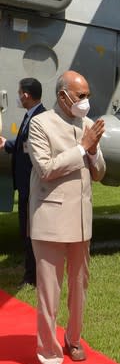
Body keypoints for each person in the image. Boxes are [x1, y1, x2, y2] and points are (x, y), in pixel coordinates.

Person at [27, 70, 106, 364]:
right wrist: (79, 149)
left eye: (87, 95)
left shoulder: (87, 125)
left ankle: (73, 339)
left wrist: (93, 149)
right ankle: (49, 356)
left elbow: (99, 172)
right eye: (81, 95)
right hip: (50, 221)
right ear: (63, 96)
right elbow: (45, 169)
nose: (86, 101)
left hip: (81, 221)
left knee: (79, 287)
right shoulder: (40, 124)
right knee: (49, 292)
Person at [0, 78, 45, 288]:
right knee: (26, 232)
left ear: (25, 95)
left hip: (32, 185)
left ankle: (32, 276)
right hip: (26, 185)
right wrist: (7, 144)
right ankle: (31, 273)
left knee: (32, 233)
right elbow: (25, 146)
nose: (18, 97)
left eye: (19, 93)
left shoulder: (39, 117)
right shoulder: (31, 115)